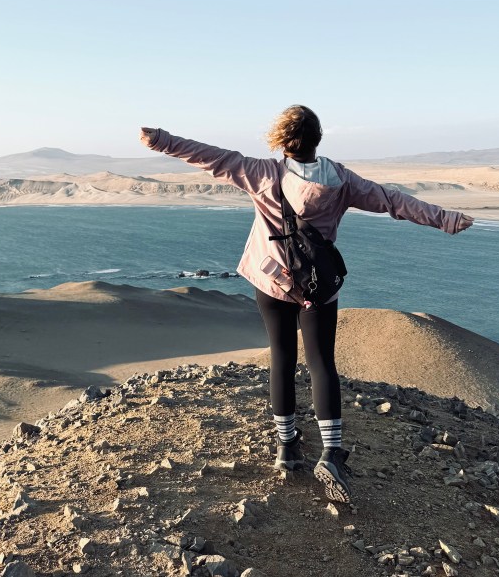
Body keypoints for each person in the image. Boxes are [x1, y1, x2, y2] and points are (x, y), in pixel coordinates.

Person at [139, 106, 473, 503]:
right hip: (318, 285)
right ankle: (331, 453)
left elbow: (207, 155)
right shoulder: (341, 179)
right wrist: (445, 218)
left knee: (281, 358)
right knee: (321, 364)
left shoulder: (263, 173)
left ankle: (287, 448)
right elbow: (392, 201)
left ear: (281, 140)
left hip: (272, 279)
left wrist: (160, 139)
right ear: (318, 139)